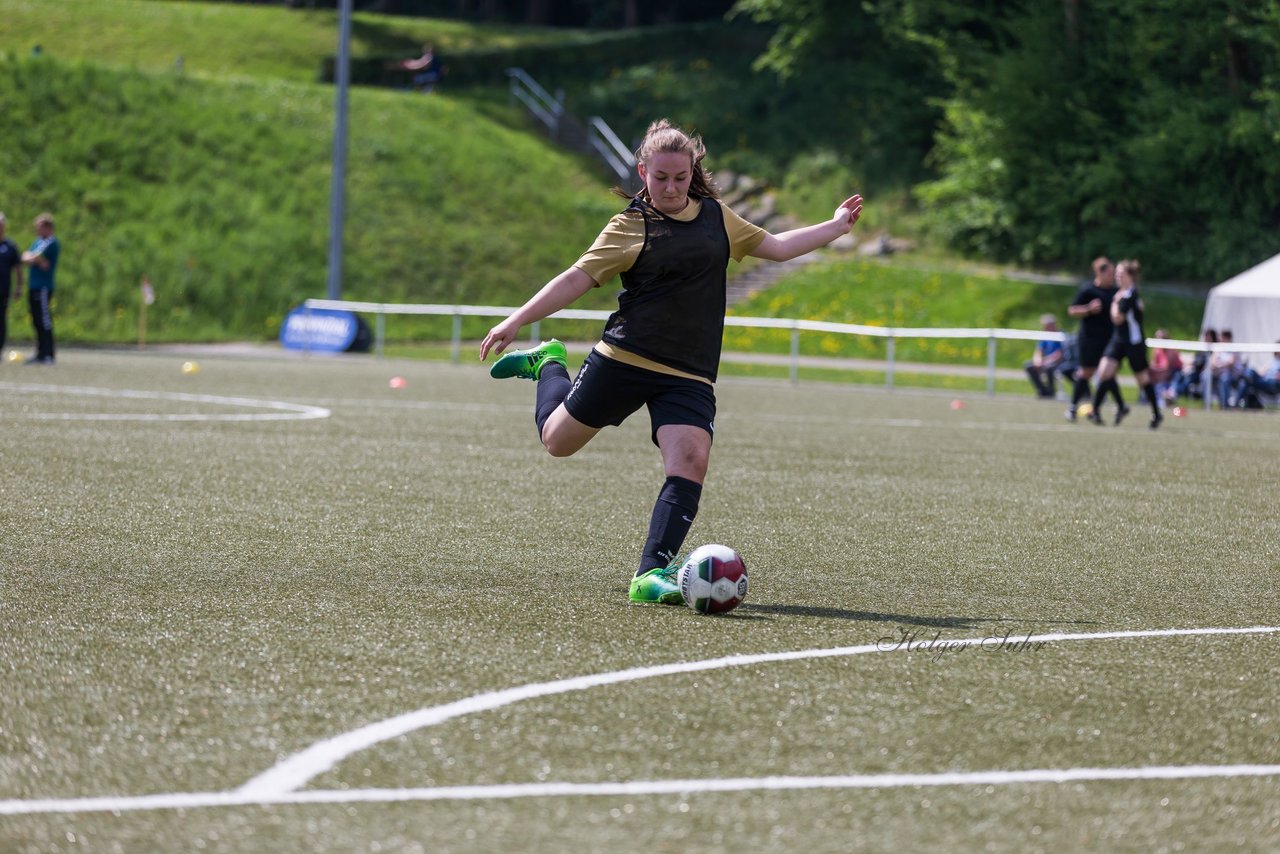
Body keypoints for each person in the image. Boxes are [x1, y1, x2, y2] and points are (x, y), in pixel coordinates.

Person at [479, 119, 862, 605]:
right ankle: (549, 363)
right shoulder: (630, 224)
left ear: (692, 171)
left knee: (691, 461)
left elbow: (779, 248)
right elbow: (575, 279)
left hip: (688, 372)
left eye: (680, 177)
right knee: (556, 443)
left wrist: (835, 225)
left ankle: (649, 574)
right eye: (660, 178)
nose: (671, 187)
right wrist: (517, 318)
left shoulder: (718, 218)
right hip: (624, 358)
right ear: (643, 171)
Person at [1086, 259, 1162, 429]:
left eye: (1121, 273)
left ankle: (1156, 413)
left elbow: (1117, 317)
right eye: (1117, 273)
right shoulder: (1121, 293)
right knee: (1105, 371)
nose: (1117, 276)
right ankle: (1096, 410)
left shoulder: (1129, 294)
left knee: (1142, 379)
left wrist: (1114, 303)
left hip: (1133, 342)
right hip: (1118, 339)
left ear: (1130, 276)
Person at [1065, 256, 1118, 421]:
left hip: (1109, 340)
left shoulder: (1116, 292)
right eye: (1109, 272)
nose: (1112, 276)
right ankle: (1073, 408)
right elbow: (1072, 311)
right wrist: (1088, 309)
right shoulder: (1088, 290)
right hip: (1088, 339)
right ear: (1099, 273)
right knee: (1086, 372)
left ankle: (1096, 410)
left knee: (1107, 374)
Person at [21, 212, 59, 365]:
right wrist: (34, 259)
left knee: (44, 321)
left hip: (44, 287)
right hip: (33, 286)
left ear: (47, 227)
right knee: (36, 320)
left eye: (39, 227)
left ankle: (48, 353)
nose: (36, 230)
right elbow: (25, 257)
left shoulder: (51, 242)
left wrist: (34, 259)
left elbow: (36, 258)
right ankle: (40, 353)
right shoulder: (37, 241)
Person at [1024, 313, 1064, 398]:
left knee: (1049, 368)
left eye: (1047, 326)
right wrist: (1037, 360)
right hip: (1047, 361)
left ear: (1053, 325)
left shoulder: (1060, 335)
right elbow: (1039, 351)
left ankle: (1051, 391)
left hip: (1058, 361)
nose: (1045, 328)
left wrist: (1045, 361)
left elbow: (1060, 354)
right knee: (1029, 366)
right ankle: (1042, 390)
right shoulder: (1045, 335)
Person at [0, 213, 24, 356]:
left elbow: (18, 269)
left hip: (3, 290)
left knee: (1, 320)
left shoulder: (10, 246)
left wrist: (19, 287)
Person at [1148, 329, 1183, 407]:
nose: (1157, 339)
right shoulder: (1157, 349)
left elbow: (1166, 367)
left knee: (1162, 377)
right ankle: (1156, 397)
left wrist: (1156, 370)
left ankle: (1168, 394)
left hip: (1174, 371)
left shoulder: (1170, 349)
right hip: (1162, 371)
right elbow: (1153, 364)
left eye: (1159, 337)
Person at [1211, 329, 1244, 408]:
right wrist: (1218, 365)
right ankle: (1207, 403)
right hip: (1217, 373)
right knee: (1205, 376)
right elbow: (1213, 361)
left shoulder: (1233, 348)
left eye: (1221, 337)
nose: (1219, 339)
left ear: (1226, 338)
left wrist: (1220, 365)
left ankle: (1224, 405)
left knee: (1225, 378)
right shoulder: (1218, 348)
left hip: (1232, 375)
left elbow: (1231, 362)